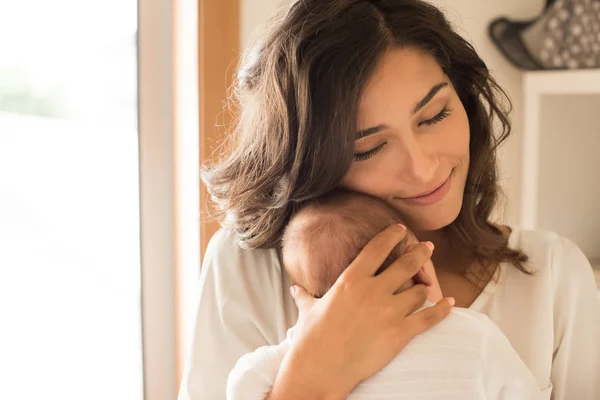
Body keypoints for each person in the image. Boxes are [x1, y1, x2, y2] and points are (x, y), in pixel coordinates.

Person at [178, 1, 600, 399]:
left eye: (434, 115)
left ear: (465, 101)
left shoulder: (552, 276)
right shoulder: (245, 271)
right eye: (368, 148)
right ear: (312, 162)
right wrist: (312, 376)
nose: (421, 167)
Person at [226, 190, 544, 399]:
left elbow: (240, 385)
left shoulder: (298, 351)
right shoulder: (475, 335)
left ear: (308, 299)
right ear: (420, 261)